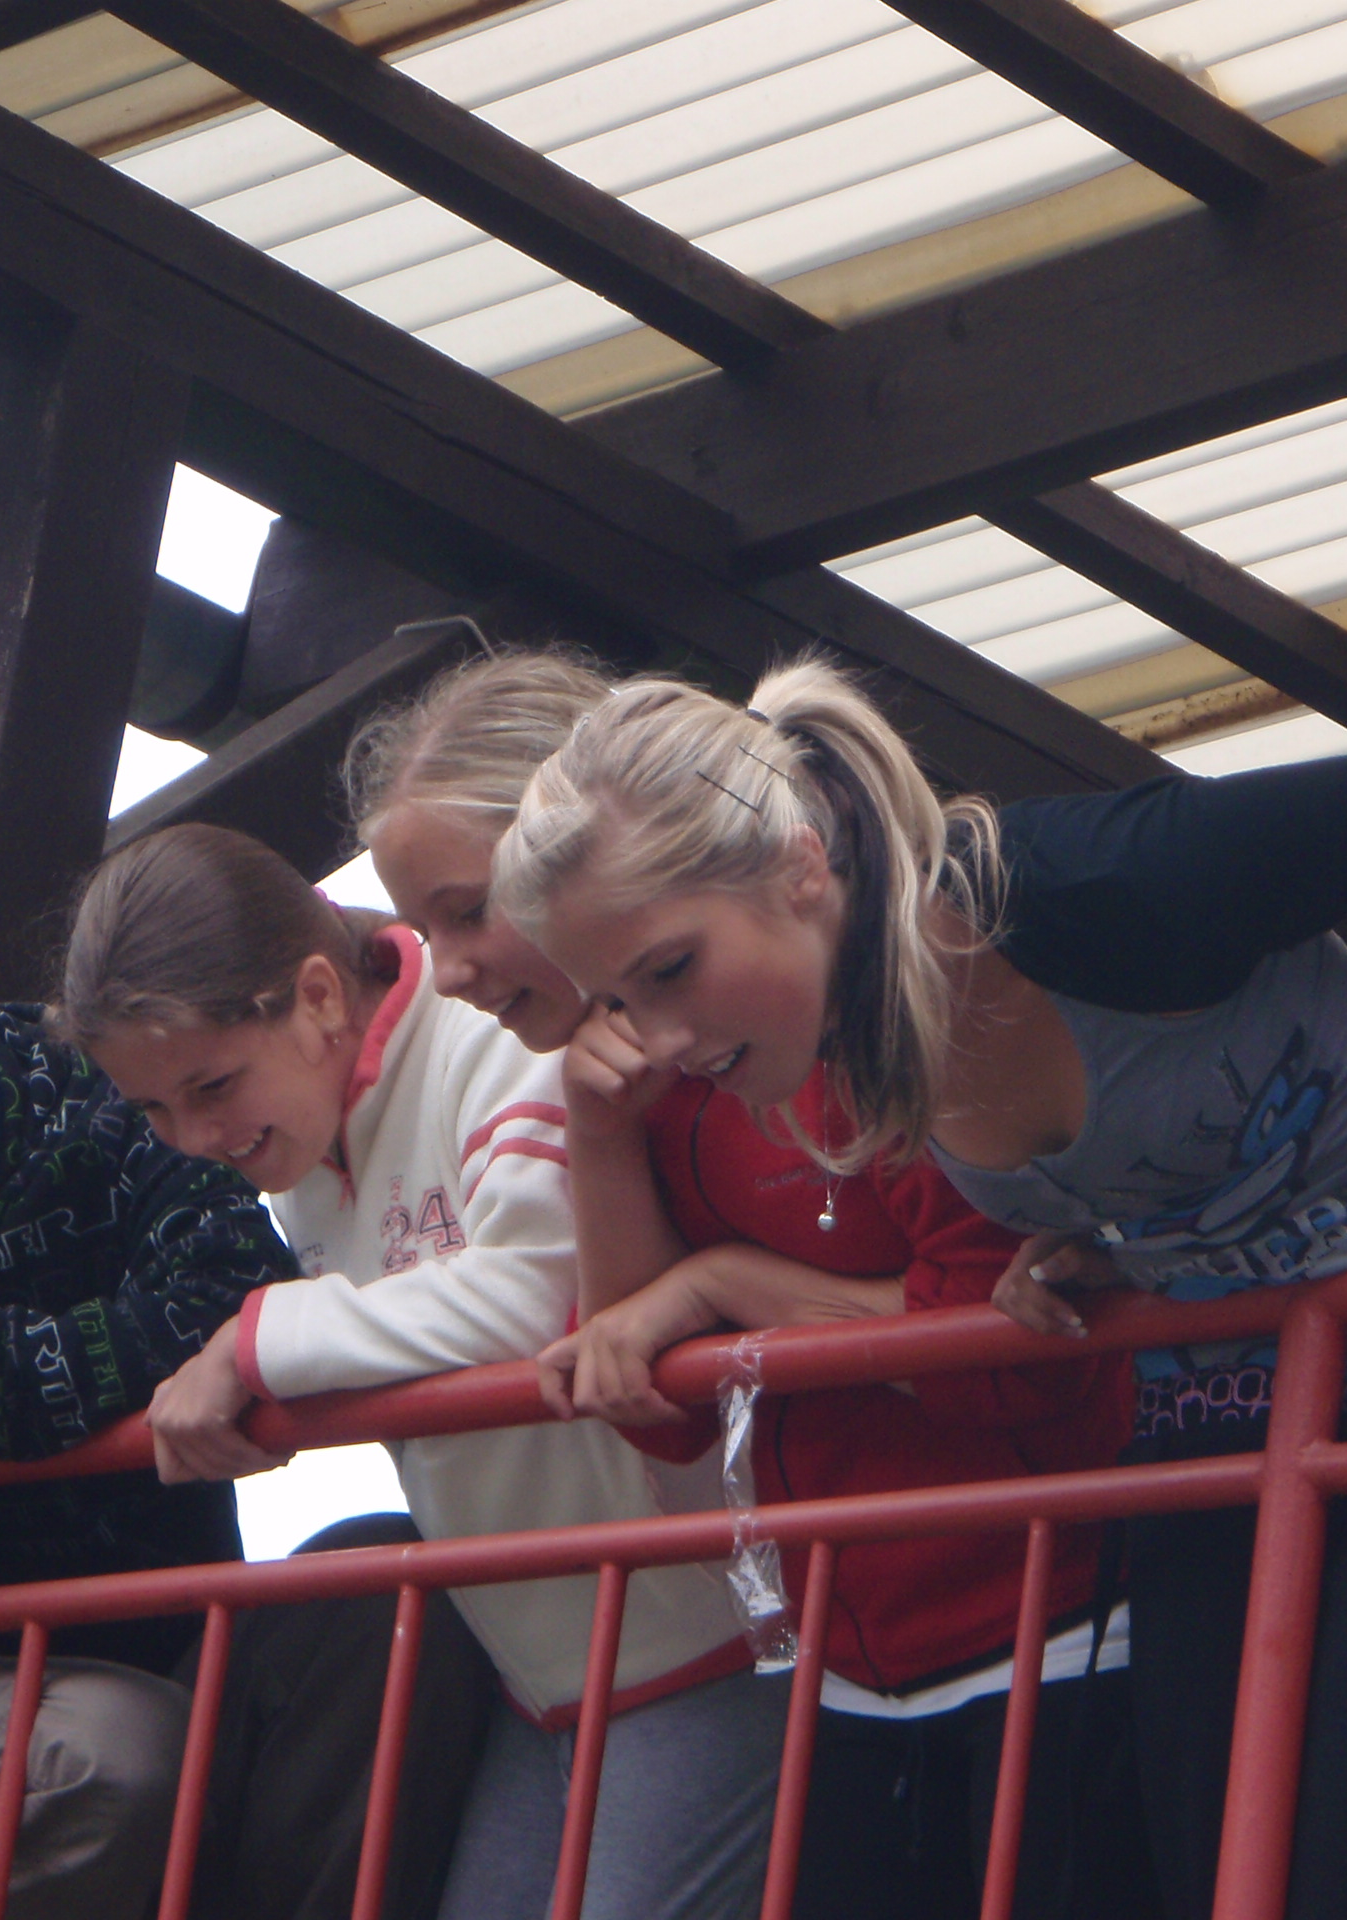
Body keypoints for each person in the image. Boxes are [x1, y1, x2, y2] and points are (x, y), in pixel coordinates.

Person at [491, 661, 1347, 1920]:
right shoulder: (855, 1045)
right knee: (1212, 1883)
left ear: (801, 867)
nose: (659, 1038)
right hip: (1215, 1425)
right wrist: (1105, 1237)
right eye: (620, 1001)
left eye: (671, 969)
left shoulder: (1091, 883)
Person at [344, 648, 1150, 1919]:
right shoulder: (650, 1084)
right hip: (853, 1665)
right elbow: (648, 1398)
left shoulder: (872, 1013)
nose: (445, 968)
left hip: (1054, 1626)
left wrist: (724, 1284)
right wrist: (605, 1137)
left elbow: (1012, 1353)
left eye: (470, 909)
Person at [51, 824, 774, 1920]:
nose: (190, 1137)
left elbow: (536, 1295)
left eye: (211, 1085)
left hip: (708, 1641)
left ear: (318, 996)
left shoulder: (486, 1035)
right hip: (547, 1683)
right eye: (154, 1109)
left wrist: (252, 1342)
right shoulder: (304, 1142)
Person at [0, 897, 291, 1918]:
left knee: (379, 1593)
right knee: (109, 1755)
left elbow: (236, 1280)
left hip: (181, 1645)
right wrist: (112, 1368)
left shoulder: (100, 1088)